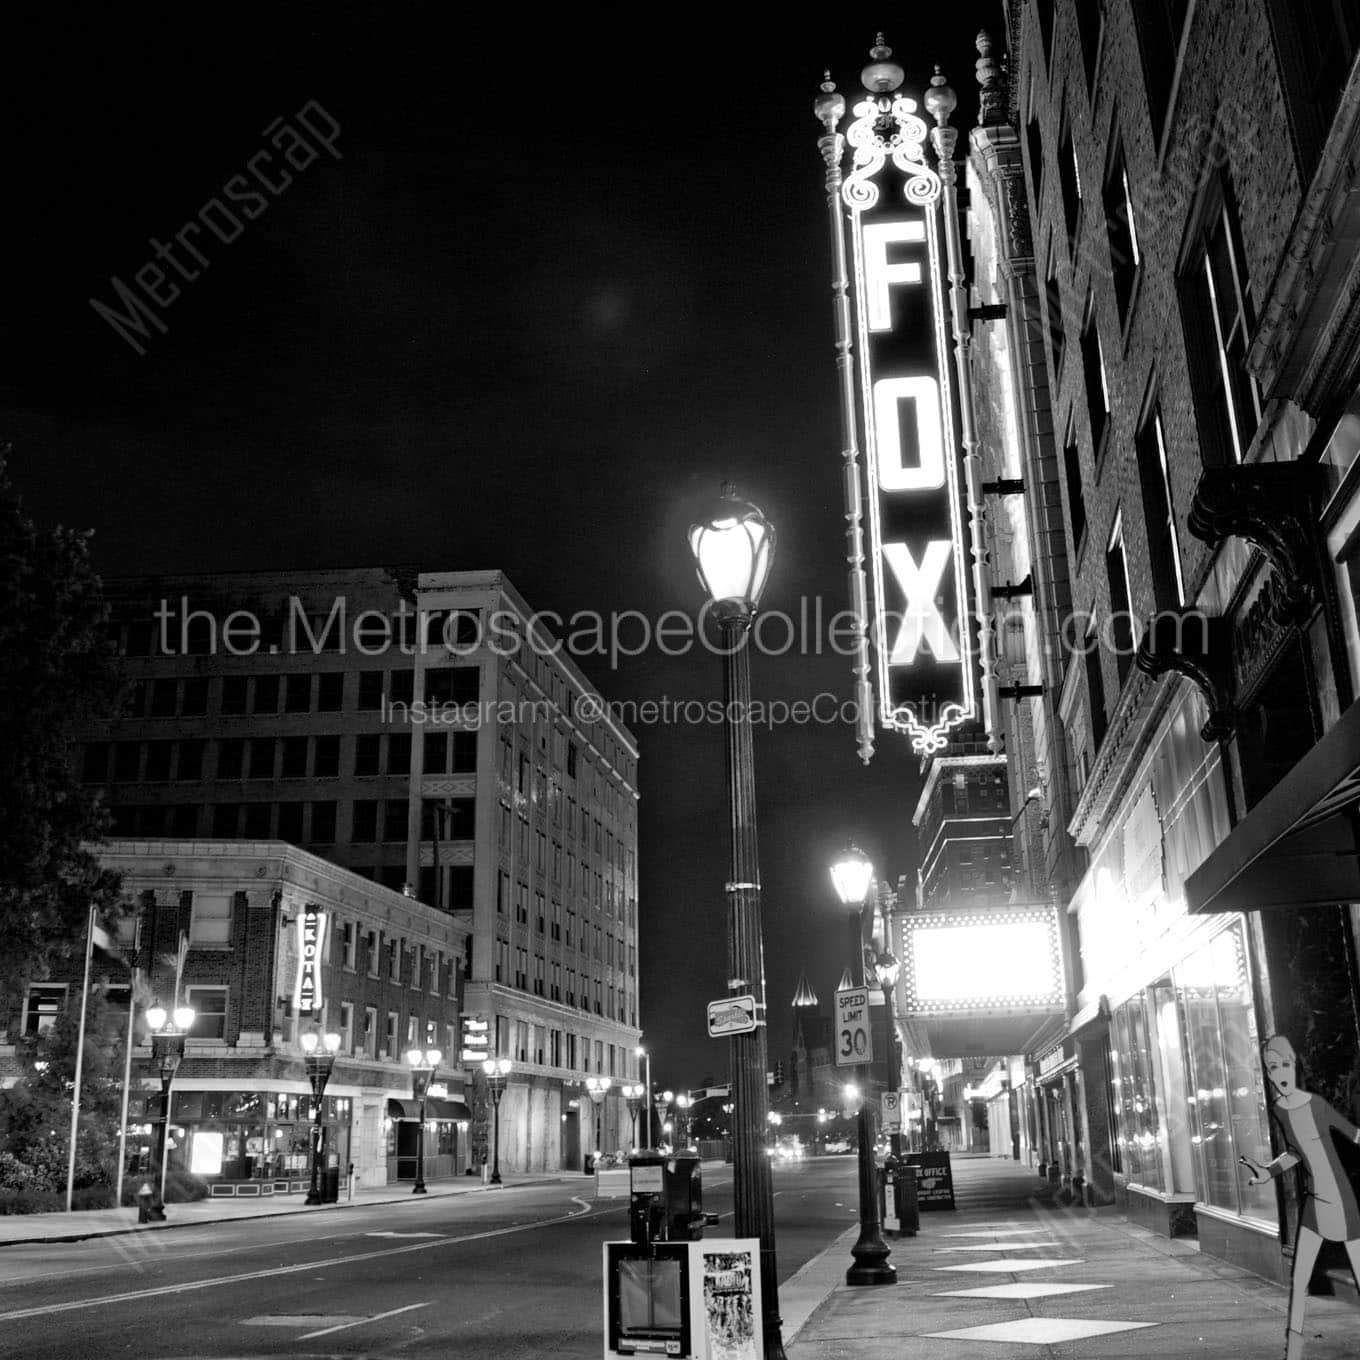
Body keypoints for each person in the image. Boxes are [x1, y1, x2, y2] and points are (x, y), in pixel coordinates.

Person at [1240, 1034, 1360, 1360]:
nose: (1280, 1072)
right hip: (1314, 1201)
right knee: (1300, 1279)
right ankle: (1293, 1351)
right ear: (1267, 1073)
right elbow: (1294, 1152)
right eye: (1272, 1067)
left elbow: (1353, 1134)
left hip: (1341, 1199)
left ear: (1295, 1065)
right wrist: (1268, 1171)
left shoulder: (1317, 1104)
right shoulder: (1280, 1109)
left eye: (1284, 1064)